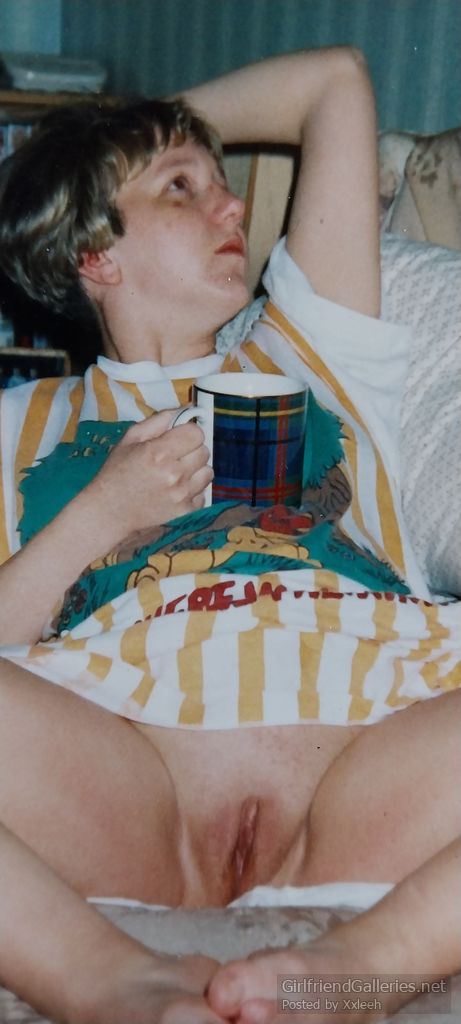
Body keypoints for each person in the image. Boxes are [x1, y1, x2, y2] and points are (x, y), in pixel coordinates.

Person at [0, 46, 459, 1024]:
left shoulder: (311, 351)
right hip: (123, 783)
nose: (231, 204)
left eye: (219, 181)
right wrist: (102, 513)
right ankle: (100, 978)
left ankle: (362, 966)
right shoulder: (17, 424)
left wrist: (125, 134)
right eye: (182, 187)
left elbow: (334, 81)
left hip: (370, 760)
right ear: (94, 252)